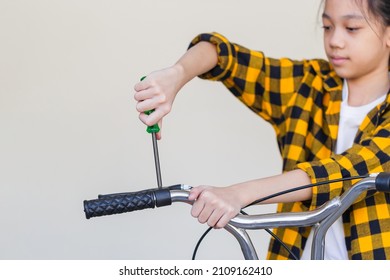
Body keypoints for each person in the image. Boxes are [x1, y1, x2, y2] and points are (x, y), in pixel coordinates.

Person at [133, 0, 390, 260]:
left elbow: (347, 171)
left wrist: (239, 194)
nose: (335, 40)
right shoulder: (310, 85)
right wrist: (176, 75)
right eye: (327, 26)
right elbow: (223, 54)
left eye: (352, 28)